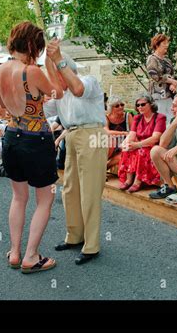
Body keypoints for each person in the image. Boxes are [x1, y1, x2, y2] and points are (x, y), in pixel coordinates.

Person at [0, 21, 63, 273]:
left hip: (11, 135)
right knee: (45, 199)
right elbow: (58, 94)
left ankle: (14, 252)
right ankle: (31, 256)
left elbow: (1, 104)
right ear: (33, 44)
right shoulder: (30, 71)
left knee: (18, 197)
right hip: (37, 140)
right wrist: (51, 65)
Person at [45, 39, 107, 265]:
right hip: (71, 136)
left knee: (90, 192)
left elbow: (78, 89)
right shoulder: (60, 94)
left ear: (67, 70)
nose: (55, 80)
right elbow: (45, 108)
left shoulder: (88, 81)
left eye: (58, 74)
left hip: (92, 135)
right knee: (70, 190)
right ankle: (74, 236)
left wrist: (57, 58)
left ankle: (91, 245)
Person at [117, 94, 166, 193]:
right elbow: (132, 135)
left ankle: (137, 182)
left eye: (143, 104)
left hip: (152, 146)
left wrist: (137, 145)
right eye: (138, 105)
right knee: (127, 149)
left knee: (141, 151)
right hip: (139, 144)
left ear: (151, 104)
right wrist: (126, 143)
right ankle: (129, 180)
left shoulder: (159, 117)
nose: (140, 107)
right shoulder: (137, 118)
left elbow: (155, 138)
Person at [146, 33, 177, 125]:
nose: (166, 45)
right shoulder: (152, 59)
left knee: (171, 118)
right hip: (158, 94)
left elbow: (172, 75)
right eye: (164, 43)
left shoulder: (167, 60)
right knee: (160, 119)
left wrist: (173, 84)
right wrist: (171, 81)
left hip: (169, 94)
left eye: (167, 43)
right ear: (157, 45)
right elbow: (154, 76)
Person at [104, 95, 133, 169]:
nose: (120, 107)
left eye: (122, 105)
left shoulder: (128, 116)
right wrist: (124, 133)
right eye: (117, 106)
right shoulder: (106, 117)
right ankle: (102, 164)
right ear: (111, 108)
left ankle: (104, 168)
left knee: (123, 153)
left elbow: (133, 131)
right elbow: (107, 132)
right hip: (111, 144)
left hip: (124, 143)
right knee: (110, 141)